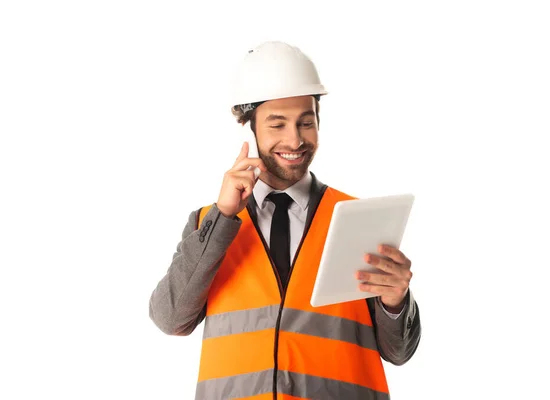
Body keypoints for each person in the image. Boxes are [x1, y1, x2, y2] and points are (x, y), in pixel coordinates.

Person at [149, 41, 421, 400]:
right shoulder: (210, 223)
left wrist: (396, 301)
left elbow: (399, 351)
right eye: (277, 124)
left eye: (306, 123)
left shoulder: (357, 219)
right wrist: (223, 215)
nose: (294, 139)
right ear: (252, 127)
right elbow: (170, 319)